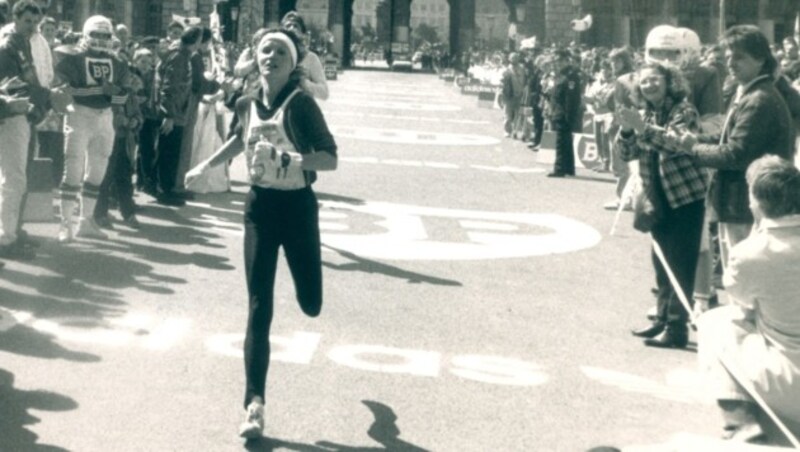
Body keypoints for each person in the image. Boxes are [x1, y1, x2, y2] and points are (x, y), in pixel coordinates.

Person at [185, 29, 337, 439]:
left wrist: (289, 157)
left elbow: (330, 158)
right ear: (256, 57)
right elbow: (238, 138)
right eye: (265, 50)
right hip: (260, 209)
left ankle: (308, 292)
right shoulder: (247, 101)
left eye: (280, 53)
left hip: (298, 209)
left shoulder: (301, 105)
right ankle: (254, 404)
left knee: (311, 303)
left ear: (293, 65)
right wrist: (207, 166)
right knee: (258, 307)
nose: (270, 56)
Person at [698, 155, 800, 443]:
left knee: (713, 323)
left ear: (757, 202)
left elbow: (741, 303)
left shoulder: (751, 253)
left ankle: (739, 420)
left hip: (789, 380)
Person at [679, 25, 796, 275]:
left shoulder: (759, 99)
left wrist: (693, 148)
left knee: (742, 273)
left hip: (747, 203)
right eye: (728, 56)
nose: (730, 63)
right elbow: (727, 137)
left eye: (739, 57)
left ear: (760, 59)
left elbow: (735, 154)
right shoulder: (750, 91)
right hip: (742, 202)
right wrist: (696, 138)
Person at [617, 62, 707, 349]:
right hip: (656, 195)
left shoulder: (684, 110)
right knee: (661, 262)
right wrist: (628, 132)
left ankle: (677, 328)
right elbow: (627, 152)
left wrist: (642, 127)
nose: (649, 86)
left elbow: (674, 144)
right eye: (643, 82)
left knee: (680, 263)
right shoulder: (644, 113)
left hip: (684, 197)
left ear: (670, 82)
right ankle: (661, 318)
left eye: (655, 80)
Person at [0, 0, 68, 259]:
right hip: (11, 116)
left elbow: (35, 80)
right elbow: (15, 88)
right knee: (13, 180)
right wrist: (48, 96)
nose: (32, 26)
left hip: (24, 116)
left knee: (17, 178)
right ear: (15, 19)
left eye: (35, 22)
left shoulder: (24, 45)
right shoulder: (8, 47)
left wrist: (47, 95)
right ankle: (6, 239)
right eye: (27, 21)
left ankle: (12, 230)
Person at [54, 14, 129, 242]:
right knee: (73, 170)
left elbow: (124, 96)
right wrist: (105, 92)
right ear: (86, 34)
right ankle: (66, 222)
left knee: (97, 172)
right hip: (79, 115)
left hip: (105, 118)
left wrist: (111, 94)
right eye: (96, 34)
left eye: (105, 35)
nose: (101, 39)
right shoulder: (71, 56)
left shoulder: (118, 61)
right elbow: (67, 91)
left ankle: (87, 220)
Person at [154, 26, 202, 206]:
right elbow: (169, 88)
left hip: (177, 111)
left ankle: (167, 188)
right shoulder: (178, 57)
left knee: (171, 152)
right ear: (195, 40)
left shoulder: (181, 56)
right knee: (168, 153)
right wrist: (169, 115)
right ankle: (164, 191)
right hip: (173, 113)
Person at [546, 48, 582, 178]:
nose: (558, 63)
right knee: (566, 141)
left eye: (561, 60)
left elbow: (571, 99)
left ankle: (559, 168)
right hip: (558, 111)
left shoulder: (571, 76)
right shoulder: (561, 75)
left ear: (567, 60)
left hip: (564, 113)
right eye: (556, 61)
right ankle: (568, 168)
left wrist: (569, 116)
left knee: (561, 142)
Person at [279, 11, 329, 100]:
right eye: (288, 26)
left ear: (302, 33)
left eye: (296, 26)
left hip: (302, 108)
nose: (292, 28)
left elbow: (324, 93)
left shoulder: (310, 58)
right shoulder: (275, 55)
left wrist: (303, 82)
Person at [500, 52, 525, 138]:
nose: (514, 60)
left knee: (518, 114)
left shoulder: (522, 69)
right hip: (509, 95)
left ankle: (515, 130)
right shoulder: (506, 70)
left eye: (516, 58)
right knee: (507, 114)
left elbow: (525, 80)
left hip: (519, 95)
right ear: (509, 59)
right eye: (512, 58)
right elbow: (502, 83)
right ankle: (507, 130)